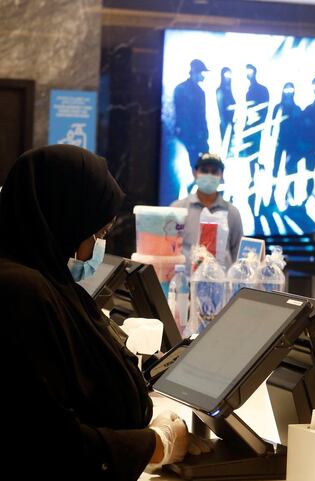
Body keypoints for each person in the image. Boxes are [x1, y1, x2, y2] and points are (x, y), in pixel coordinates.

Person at [0, 145, 210, 480]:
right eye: (97, 234)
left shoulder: (51, 284)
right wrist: (155, 446)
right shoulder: (20, 291)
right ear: (62, 221)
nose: (99, 246)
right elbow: (45, 439)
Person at [172, 153, 243, 268]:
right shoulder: (178, 209)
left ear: (221, 175)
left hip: (222, 282)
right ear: (194, 173)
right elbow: (169, 247)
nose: (209, 175)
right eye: (204, 171)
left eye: (214, 172)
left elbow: (238, 254)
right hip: (185, 281)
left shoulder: (232, 213)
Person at [174, 59, 210, 168]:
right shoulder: (181, 89)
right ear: (196, 72)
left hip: (198, 135)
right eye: (202, 72)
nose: (204, 76)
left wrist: (204, 132)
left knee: (204, 157)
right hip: (189, 134)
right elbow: (182, 116)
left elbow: (202, 116)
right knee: (195, 159)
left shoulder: (200, 92)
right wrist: (190, 135)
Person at [271, 82, 302, 178]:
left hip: (292, 142)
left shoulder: (297, 109)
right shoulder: (278, 108)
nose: (288, 92)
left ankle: (290, 192)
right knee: (275, 168)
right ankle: (272, 191)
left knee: (291, 170)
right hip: (279, 141)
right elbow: (273, 125)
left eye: (290, 90)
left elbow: (299, 127)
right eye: (286, 89)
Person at [216, 67, 235, 142]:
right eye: (226, 75)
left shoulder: (229, 90)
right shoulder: (220, 91)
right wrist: (226, 126)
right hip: (225, 125)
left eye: (229, 75)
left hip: (231, 123)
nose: (228, 78)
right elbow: (221, 110)